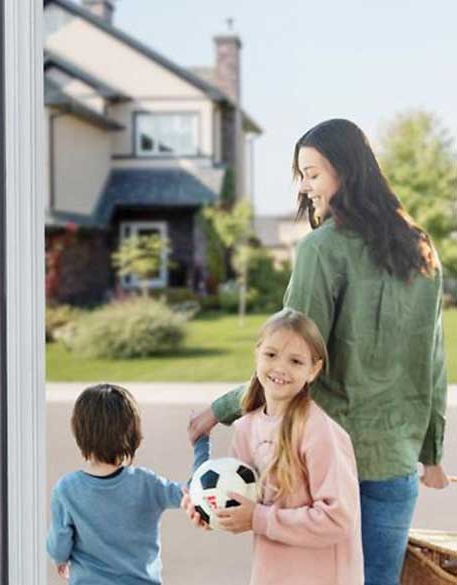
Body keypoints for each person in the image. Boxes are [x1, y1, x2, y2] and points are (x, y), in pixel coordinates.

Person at [188, 118, 450, 584]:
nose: (306, 187)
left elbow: (287, 358)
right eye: (302, 175)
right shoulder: (420, 249)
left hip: (326, 460)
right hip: (395, 463)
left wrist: (218, 411)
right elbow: (431, 361)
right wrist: (430, 453)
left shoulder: (321, 250)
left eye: (313, 173)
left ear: (346, 172)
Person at [183, 309, 363, 584]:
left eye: (295, 361)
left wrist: (258, 518)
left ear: (313, 369)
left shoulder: (320, 431)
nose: (281, 367)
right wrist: (208, 509)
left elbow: (338, 519)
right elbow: (243, 503)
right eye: (271, 355)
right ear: (257, 354)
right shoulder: (245, 429)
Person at [47, 383, 210, 584]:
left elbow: (58, 547)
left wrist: (60, 558)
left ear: (80, 432)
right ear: (133, 434)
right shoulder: (147, 484)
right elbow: (196, 491)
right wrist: (201, 442)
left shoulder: (66, 490)